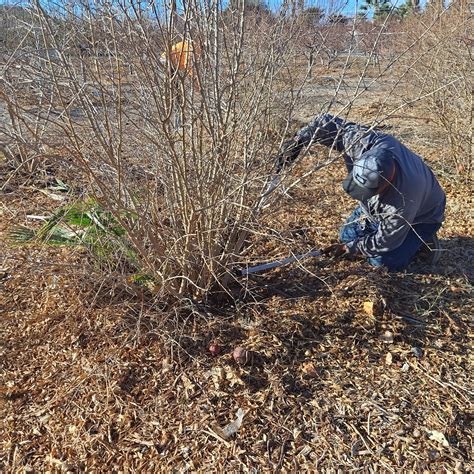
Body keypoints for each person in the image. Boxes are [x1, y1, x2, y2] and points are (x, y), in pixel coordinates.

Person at [275, 113, 446, 271]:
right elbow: (325, 122)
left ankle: (421, 240)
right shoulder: (363, 143)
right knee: (346, 235)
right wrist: (299, 140)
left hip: (421, 217)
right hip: (378, 210)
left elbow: (384, 241)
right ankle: (392, 235)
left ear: (385, 184)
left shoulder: (403, 201)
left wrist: (348, 249)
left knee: (383, 262)